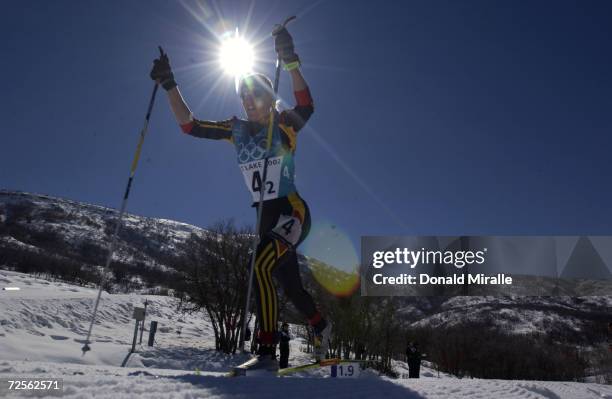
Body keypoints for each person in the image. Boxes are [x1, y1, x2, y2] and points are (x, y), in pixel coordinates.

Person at [150, 26, 331, 370]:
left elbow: (307, 105)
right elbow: (189, 126)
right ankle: (322, 326)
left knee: (259, 265)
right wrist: (170, 84)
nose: (248, 101)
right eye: (243, 96)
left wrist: (290, 62)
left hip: (292, 214)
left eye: (255, 95)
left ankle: (265, 352)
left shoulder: (283, 125)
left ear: (268, 97)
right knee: (290, 287)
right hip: (266, 220)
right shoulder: (236, 130)